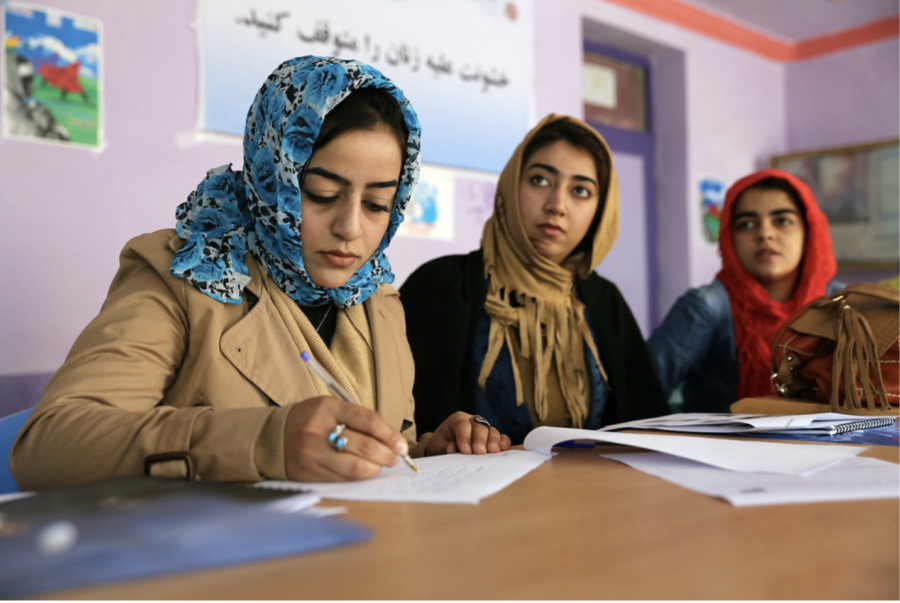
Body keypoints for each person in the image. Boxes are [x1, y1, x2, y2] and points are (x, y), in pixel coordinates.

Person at [12, 56, 510, 491]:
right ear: (273, 172)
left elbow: (373, 453)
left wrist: (429, 452)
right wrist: (264, 440)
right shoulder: (184, 274)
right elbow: (50, 444)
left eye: (378, 203)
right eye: (320, 193)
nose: (350, 229)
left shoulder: (376, 298)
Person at [400, 114, 669, 445]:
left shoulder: (604, 301)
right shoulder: (440, 286)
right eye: (540, 180)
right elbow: (394, 425)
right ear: (512, 185)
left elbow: (644, 426)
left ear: (600, 210)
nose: (557, 205)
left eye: (581, 191)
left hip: (591, 495)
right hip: (470, 494)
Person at [647, 169, 840, 413]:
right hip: (717, 449)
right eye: (746, 224)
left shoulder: (842, 306)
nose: (764, 234)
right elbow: (638, 395)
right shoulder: (705, 307)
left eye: (782, 221)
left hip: (830, 448)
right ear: (729, 236)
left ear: (809, 230)